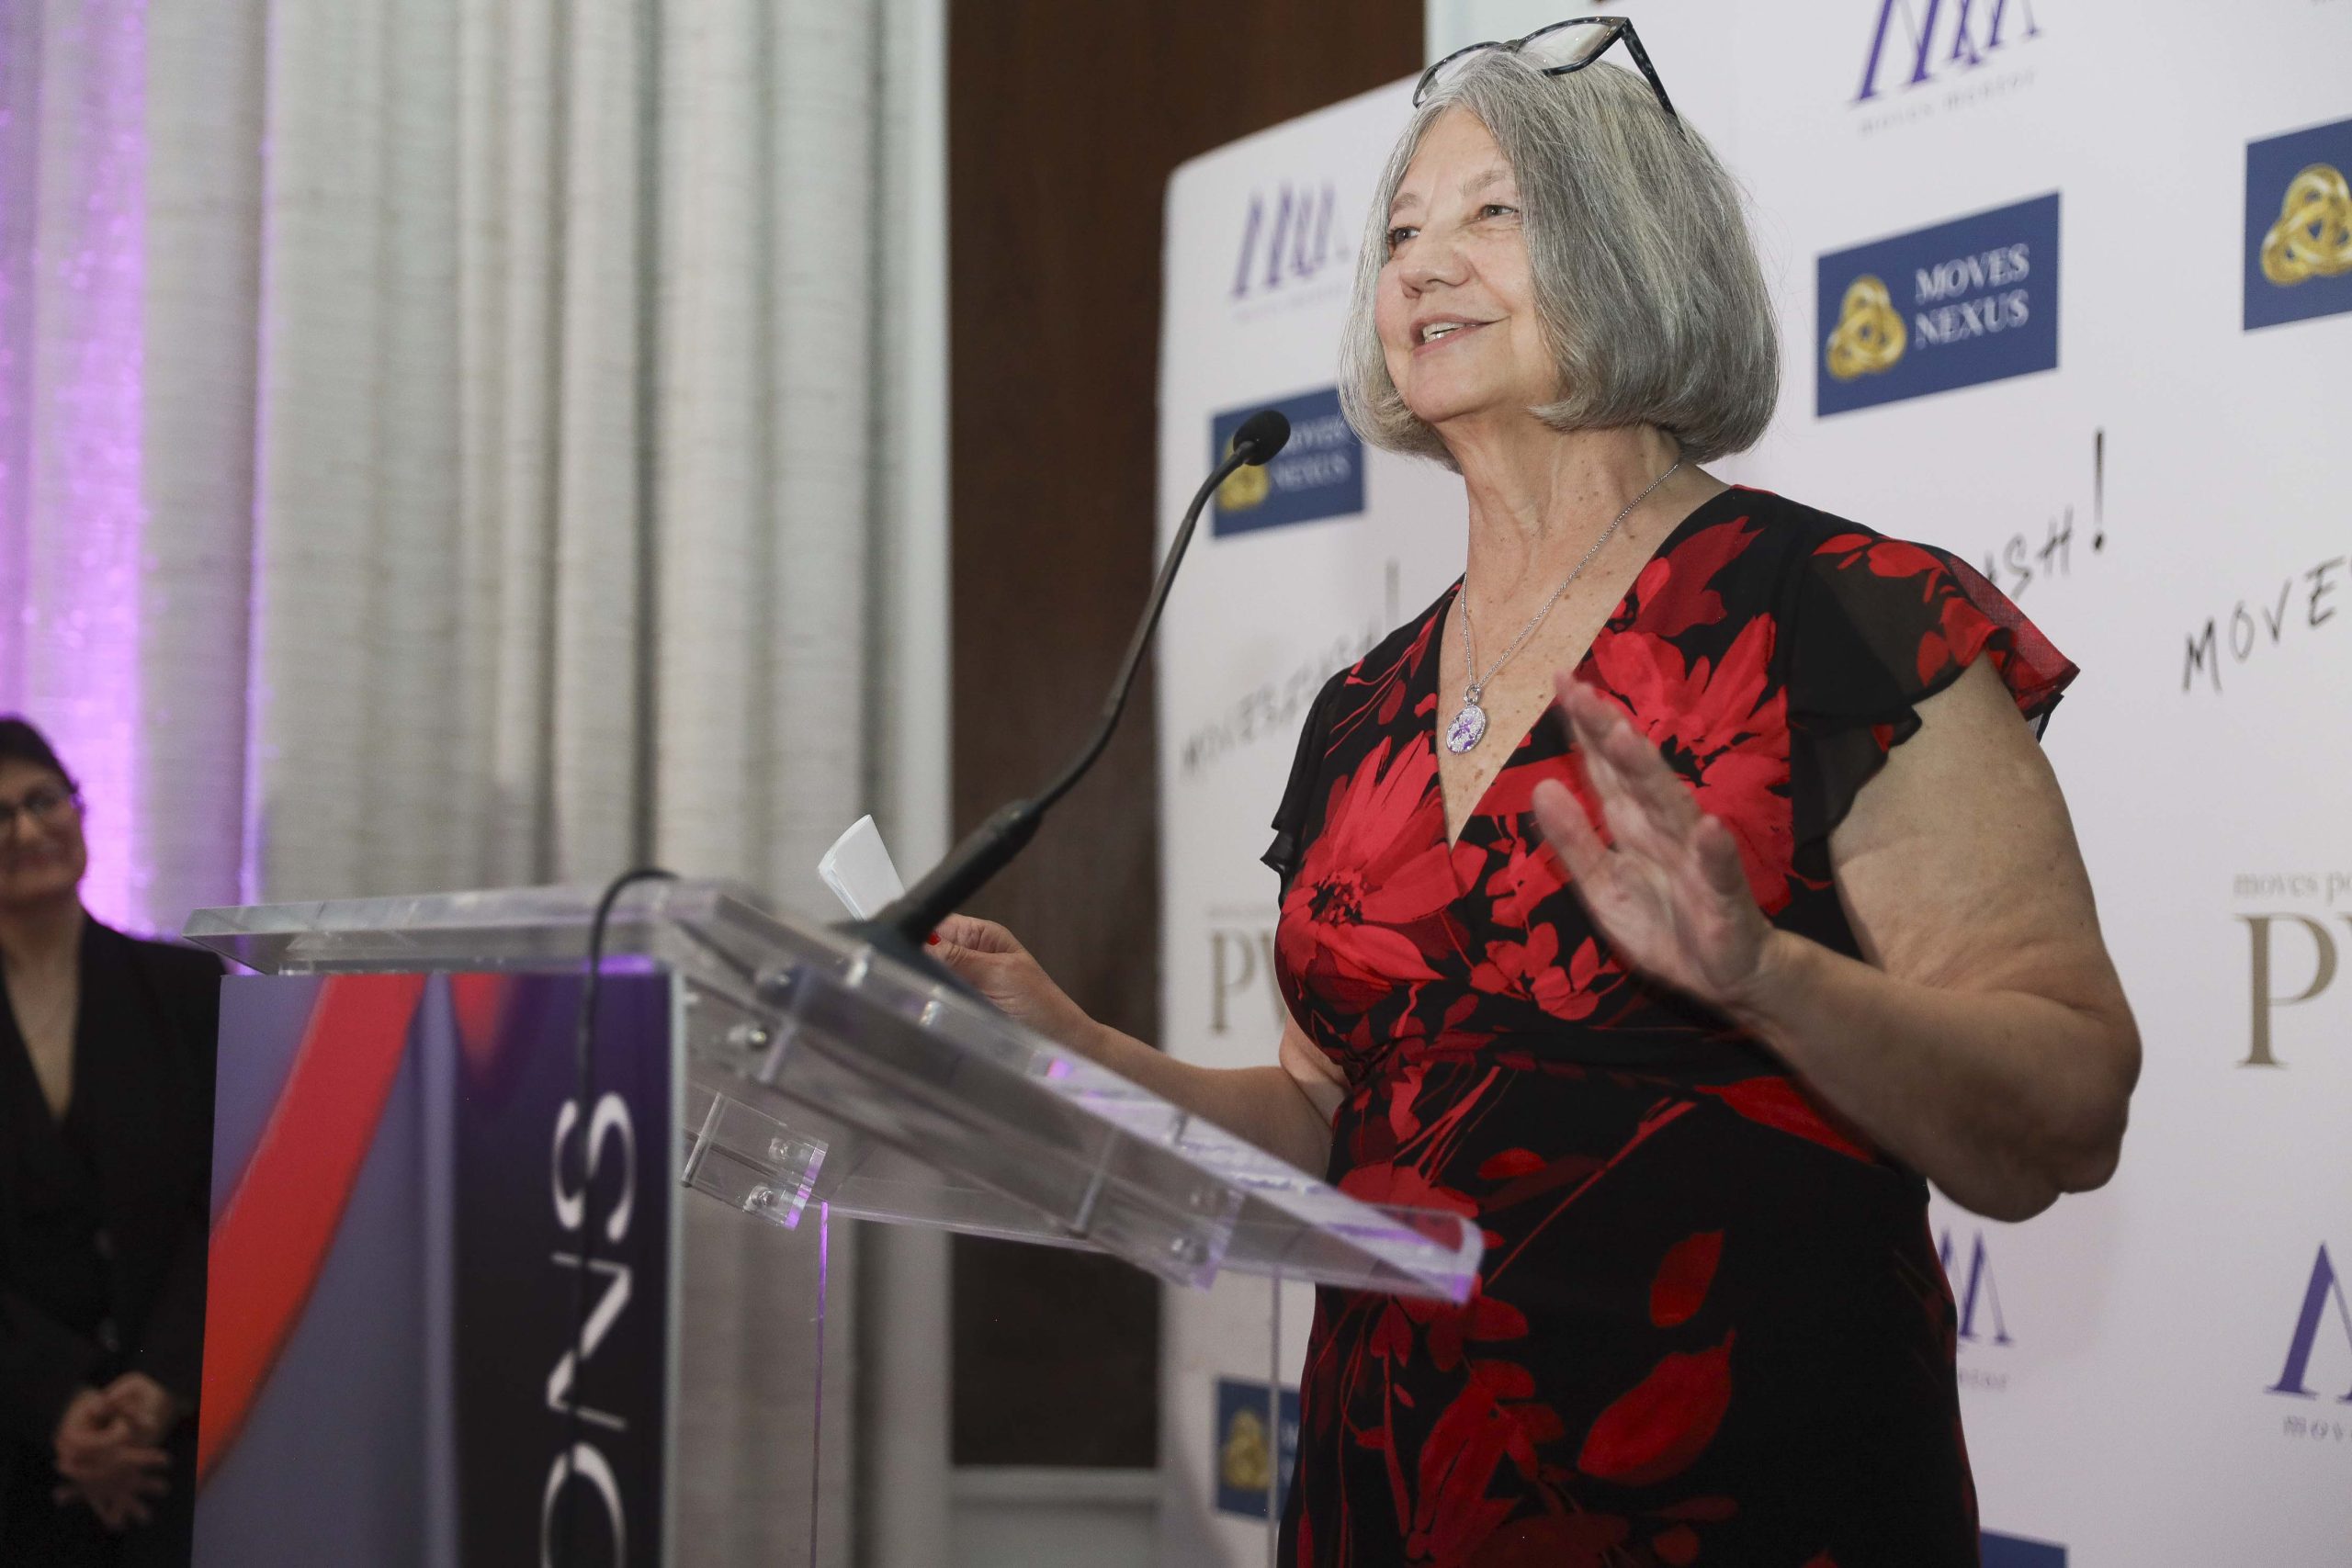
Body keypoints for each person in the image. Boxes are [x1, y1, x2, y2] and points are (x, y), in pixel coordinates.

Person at [939, 19, 2139, 1566]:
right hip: (1390, 1498)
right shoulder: (1362, 711)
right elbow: (1333, 1118)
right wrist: (1076, 1050)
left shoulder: (1840, 614)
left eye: (1491, 212)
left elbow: (2066, 1106)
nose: (1423, 265)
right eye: (1399, 233)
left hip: (1738, 1501)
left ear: (1635, 248)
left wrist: (1766, 975)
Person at [0, 718, 220, 1565]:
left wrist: (161, 1382)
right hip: (19, 1450)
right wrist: (58, 1401)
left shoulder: (189, 990)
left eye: (43, 800)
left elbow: (237, 1193)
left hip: (184, 1438)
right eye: (0, 816)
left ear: (80, 812)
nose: (27, 830)